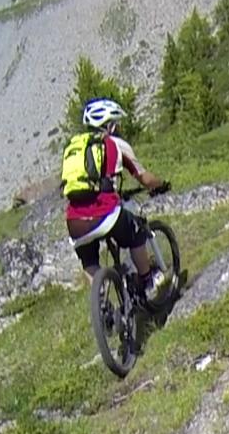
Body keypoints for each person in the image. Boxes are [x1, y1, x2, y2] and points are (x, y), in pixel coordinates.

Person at [61, 98, 170, 299]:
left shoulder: (74, 148)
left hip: (75, 221)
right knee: (136, 232)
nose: (118, 127)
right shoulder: (115, 144)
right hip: (104, 213)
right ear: (109, 125)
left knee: (90, 260)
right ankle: (147, 280)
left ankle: (102, 306)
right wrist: (161, 185)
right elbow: (144, 177)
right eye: (116, 123)